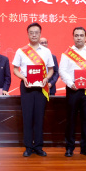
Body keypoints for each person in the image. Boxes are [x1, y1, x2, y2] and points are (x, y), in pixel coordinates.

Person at [13, 22, 55, 157]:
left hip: (41, 87)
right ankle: (28, 147)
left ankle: (38, 146)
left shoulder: (46, 51)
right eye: (31, 32)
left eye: (36, 32)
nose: (34, 35)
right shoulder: (21, 51)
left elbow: (51, 70)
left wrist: (46, 78)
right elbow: (15, 69)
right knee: (27, 117)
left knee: (39, 117)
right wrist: (23, 78)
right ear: (28, 34)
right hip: (27, 87)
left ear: (40, 34)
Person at [59, 27, 86, 157]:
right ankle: (69, 148)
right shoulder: (67, 53)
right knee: (71, 120)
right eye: (76, 35)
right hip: (73, 90)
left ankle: (85, 148)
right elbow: (62, 70)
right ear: (73, 37)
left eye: (81, 35)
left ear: (85, 37)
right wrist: (70, 83)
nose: (79, 38)